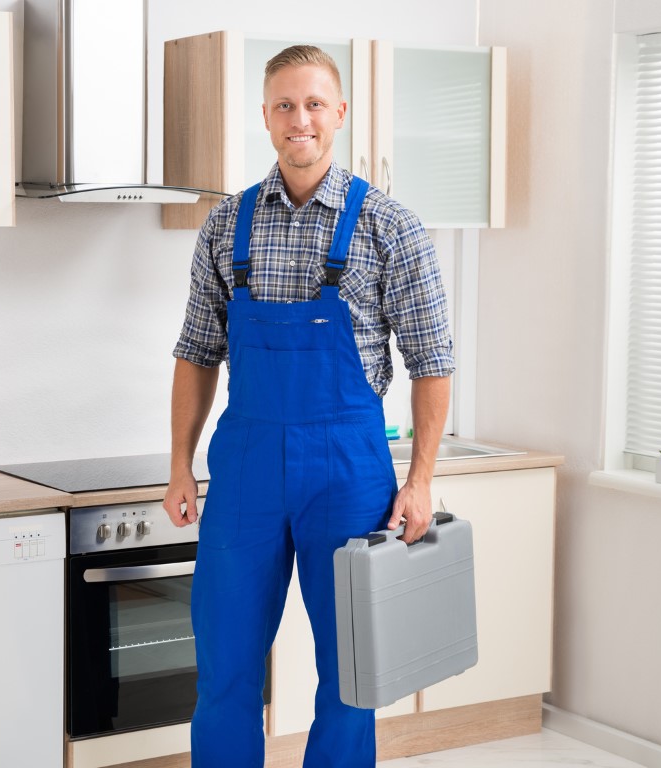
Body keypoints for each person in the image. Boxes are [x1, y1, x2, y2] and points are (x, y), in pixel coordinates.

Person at [162, 44, 454, 768]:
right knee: (225, 667)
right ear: (264, 117)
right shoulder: (225, 225)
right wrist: (178, 465)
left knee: (351, 676)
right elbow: (197, 353)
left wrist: (418, 480)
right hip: (245, 471)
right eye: (285, 105)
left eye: (314, 104)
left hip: (347, 471)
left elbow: (433, 363)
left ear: (340, 114)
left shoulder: (391, 226)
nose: (301, 119)